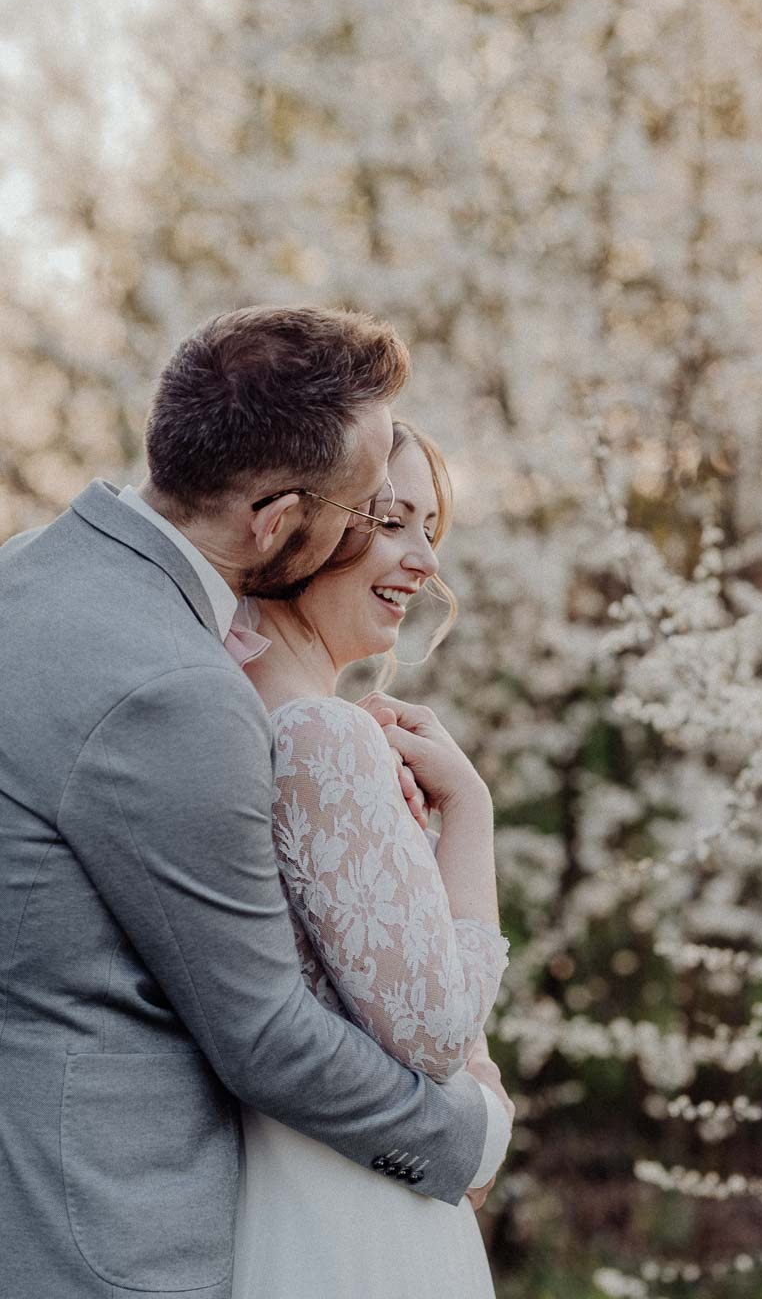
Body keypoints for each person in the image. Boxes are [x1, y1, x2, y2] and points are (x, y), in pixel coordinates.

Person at [0, 307, 509, 1299]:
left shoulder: (30, 567)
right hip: (113, 1236)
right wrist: (468, 1139)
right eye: (365, 509)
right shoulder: (177, 690)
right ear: (277, 524)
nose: (392, 539)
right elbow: (265, 1033)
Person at [231, 418, 513, 1297]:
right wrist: (470, 814)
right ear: (302, 525)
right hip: (358, 1222)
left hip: (296, 1195)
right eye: (392, 522)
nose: (426, 563)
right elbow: (433, 1033)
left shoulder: (240, 712)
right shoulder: (319, 732)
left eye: (431, 530)